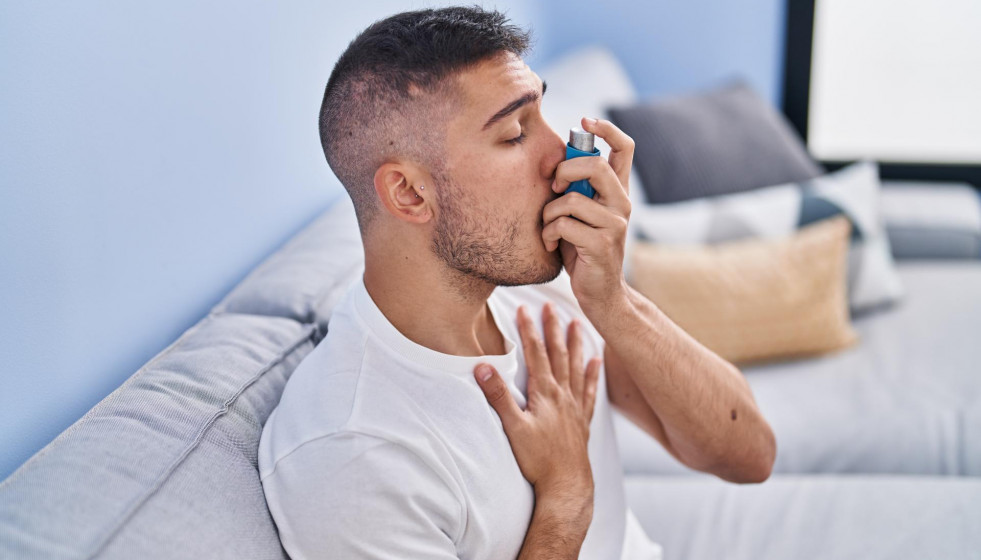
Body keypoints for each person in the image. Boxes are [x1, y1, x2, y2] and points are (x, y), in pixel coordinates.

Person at [258, 6, 776, 559]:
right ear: (408, 193)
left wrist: (613, 302)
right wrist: (566, 496)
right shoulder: (352, 454)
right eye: (514, 134)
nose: (562, 157)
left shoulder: (542, 287)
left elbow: (749, 456)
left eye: (543, 114)